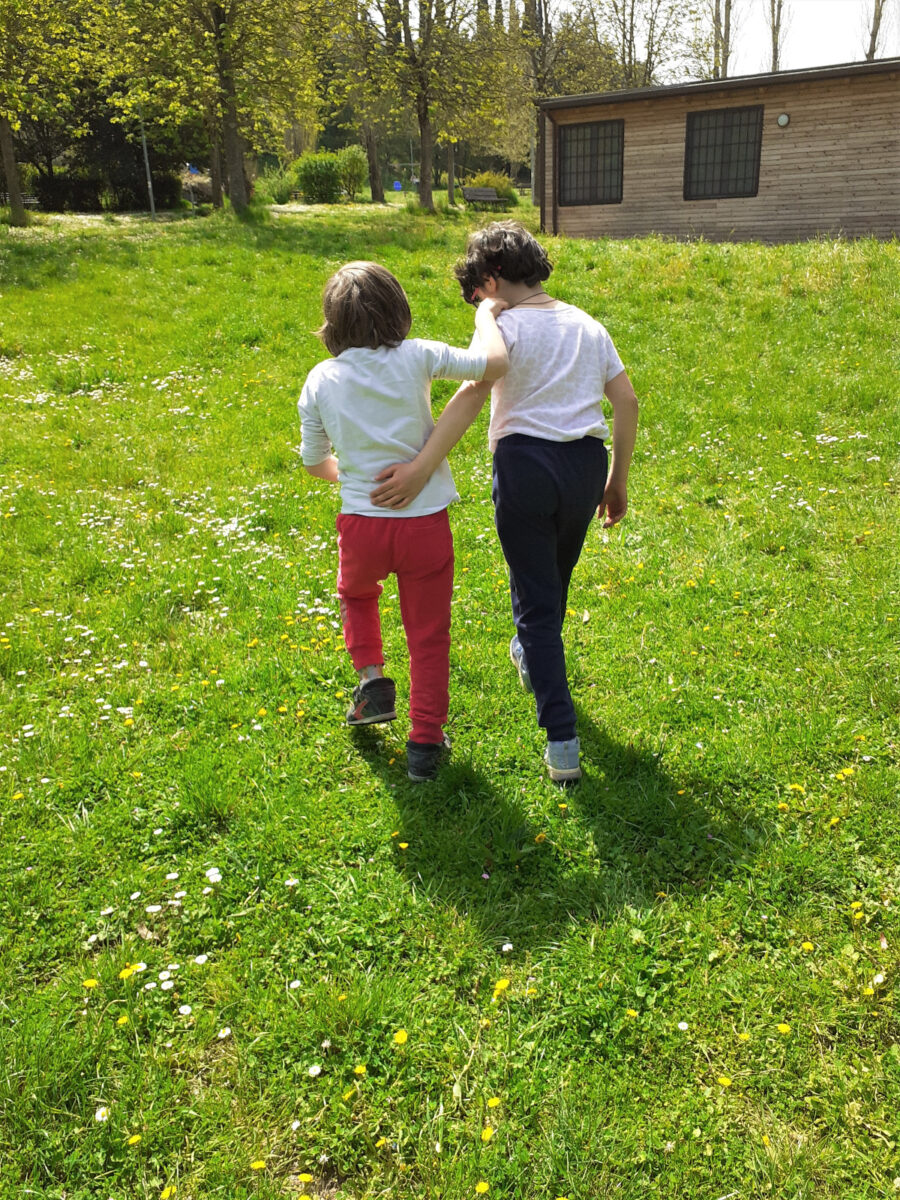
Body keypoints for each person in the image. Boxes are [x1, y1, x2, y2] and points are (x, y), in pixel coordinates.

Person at [370, 222, 638, 783]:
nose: (478, 304)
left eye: (476, 295)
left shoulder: (503, 327)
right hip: (586, 466)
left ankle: (562, 741)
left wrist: (420, 468)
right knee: (552, 582)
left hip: (525, 467)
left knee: (537, 605)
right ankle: (530, 650)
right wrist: (617, 480)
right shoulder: (589, 325)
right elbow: (626, 402)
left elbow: (471, 397)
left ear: (491, 281)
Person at [298, 261, 509, 781]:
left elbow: (313, 460)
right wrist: (486, 314)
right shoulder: (417, 354)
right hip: (424, 525)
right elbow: (493, 365)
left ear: (331, 323)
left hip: (362, 524)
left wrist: (354, 479)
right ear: (398, 309)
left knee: (356, 596)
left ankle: (372, 679)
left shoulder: (321, 378)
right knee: (429, 636)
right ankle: (425, 744)